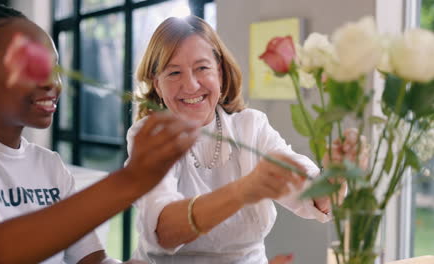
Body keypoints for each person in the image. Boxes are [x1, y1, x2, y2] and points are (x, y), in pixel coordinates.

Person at [127, 16, 354, 264]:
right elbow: (164, 232)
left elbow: (315, 197)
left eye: (202, 68)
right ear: (157, 85)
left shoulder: (252, 127)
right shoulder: (147, 137)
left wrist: (336, 175)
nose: (191, 85)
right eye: (174, 72)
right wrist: (244, 190)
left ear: (221, 73)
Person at [0, 4, 198, 264]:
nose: (53, 83)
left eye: (55, 67)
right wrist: (131, 180)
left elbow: (93, 261)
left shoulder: (50, 166)